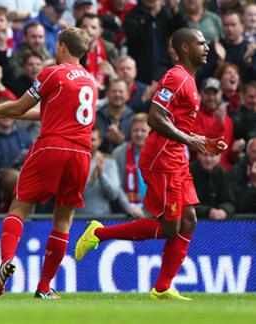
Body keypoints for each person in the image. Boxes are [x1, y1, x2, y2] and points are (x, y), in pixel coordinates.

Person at [75, 28, 226, 300]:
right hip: (162, 159)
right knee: (170, 227)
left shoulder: (190, 79)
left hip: (177, 156)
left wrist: (199, 140)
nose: (206, 48)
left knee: (189, 220)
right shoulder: (175, 78)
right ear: (183, 49)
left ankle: (163, 287)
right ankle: (99, 232)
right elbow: (155, 118)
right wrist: (189, 141)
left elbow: (176, 123)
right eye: (200, 43)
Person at [0, 27, 96, 299]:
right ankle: (44, 287)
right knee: (64, 220)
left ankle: (6, 260)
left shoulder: (52, 73)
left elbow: (19, 107)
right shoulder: (90, 81)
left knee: (20, 205)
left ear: (61, 47)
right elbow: (48, 113)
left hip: (52, 146)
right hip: (82, 153)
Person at [190, 151, 235, 220]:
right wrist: (208, 211)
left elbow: (230, 202)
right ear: (198, 155)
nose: (208, 159)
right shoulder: (189, 172)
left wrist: (224, 211)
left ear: (219, 157)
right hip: (193, 220)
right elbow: (186, 204)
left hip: (217, 222)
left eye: (212, 156)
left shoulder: (223, 174)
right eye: (205, 155)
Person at [228, 138, 256, 213]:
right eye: (254, 151)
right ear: (248, 153)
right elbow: (238, 205)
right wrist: (252, 184)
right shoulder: (235, 171)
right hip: (243, 221)